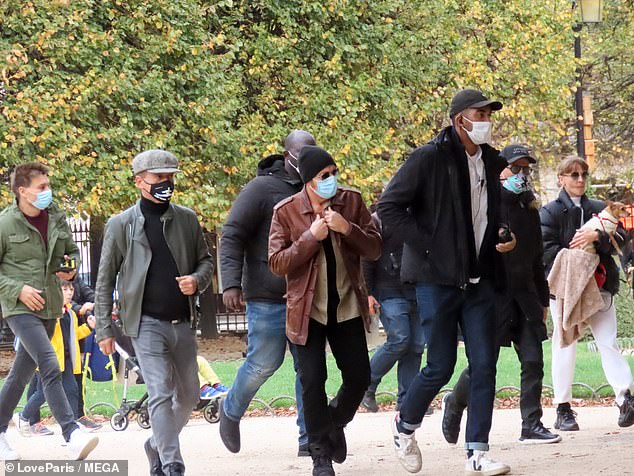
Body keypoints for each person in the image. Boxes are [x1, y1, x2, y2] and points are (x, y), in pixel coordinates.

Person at [378, 89, 514, 475]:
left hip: (480, 277)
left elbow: (494, 210)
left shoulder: (491, 160)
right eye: (480, 112)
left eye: (490, 113)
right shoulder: (428, 157)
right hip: (436, 279)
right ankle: (404, 425)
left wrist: (504, 232)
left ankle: (477, 453)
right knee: (439, 365)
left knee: (485, 363)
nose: (487, 119)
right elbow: (389, 208)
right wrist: (431, 245)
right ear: (460, 120)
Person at [94, 150, 214, 476]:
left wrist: (197, 279)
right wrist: (103, 329)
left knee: (189, 395)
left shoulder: (186, 219)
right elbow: (104, 282)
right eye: (159, 178)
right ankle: (173, 464)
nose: (166, 183)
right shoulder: (120, 225)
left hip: (183, 323)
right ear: (139, 181)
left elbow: (205, 261)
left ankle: (157, 443)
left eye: (170, 177)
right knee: (160, 392)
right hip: (144, 324)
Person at [269, 145, 382, 476]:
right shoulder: (286, 211)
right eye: (324, 176)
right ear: (308, 181)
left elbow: (375, 248)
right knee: (312, 380)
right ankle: (320, 454)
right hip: (307, 311)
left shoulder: (352, 202)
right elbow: (277, 263)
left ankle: (334, 423)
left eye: (334, 173)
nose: (332, 180)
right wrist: (310, 237)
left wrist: (347, 228)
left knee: (360, 376)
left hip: (346, 305)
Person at [441, 144, 560, 446]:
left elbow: (536, 259)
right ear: (499, 170)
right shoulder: (484, 204)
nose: (520, 174)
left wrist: (543, 299)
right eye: (514, 168)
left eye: (525, 169)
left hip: (525, 296)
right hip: (492, 296)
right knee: (484, 363)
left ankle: (531, 424)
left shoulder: (530, 209)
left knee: (533, 361)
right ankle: (455, 403)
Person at [218, 130, 315, 456]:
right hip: (267, 294)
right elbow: (232, 234)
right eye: (301, 154)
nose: (306, 161)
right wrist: (230, 283)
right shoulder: (261, 189)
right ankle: (230, 411)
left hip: (306, 296)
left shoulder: (315, 188)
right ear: (287, 155)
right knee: (263, 363)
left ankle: (309, 438)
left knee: (309, 369)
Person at [0, 162, 99, 461]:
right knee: (49, 362)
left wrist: (70, 269)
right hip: (18, 308)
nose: (48, 192)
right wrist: (18, 289)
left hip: (51, 306)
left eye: (48, 185)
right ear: (22, 191)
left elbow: (71, 252)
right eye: (41, 187)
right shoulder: (5, 224)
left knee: (20, 374)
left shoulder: (55, 218)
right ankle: (72, 434)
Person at [540, 156, 634, 431]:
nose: (580, 179)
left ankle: (625, 398)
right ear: (561, 178)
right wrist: (577, 261)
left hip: (600, 286)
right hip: (567, 290)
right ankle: (563, 407)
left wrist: (597, 238)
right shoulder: (549, 212)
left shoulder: (599, 209)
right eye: (573, 175)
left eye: (583, 174)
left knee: (608, 340)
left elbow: (621, 241)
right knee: (565, 343)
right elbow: (546, 252)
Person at [14, 280, 101, 435]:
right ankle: (23, 416)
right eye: (65, 289)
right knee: (42, 393)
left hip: (66, 360)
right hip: (49, 360)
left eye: (71, 289)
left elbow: (74, 336)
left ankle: (73, 426)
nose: (69, 293)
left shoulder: (70, 313)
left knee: (72, 389)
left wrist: (89, 327)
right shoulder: (48, 313)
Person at [360, 210, 425, 413]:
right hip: (388, 289)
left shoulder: (423, 217)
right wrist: (368, 293)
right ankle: (366, 385)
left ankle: (408, 401)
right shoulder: (379, 220)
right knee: (400, 339)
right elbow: (367, 257)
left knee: (415, 346)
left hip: (418, 289)